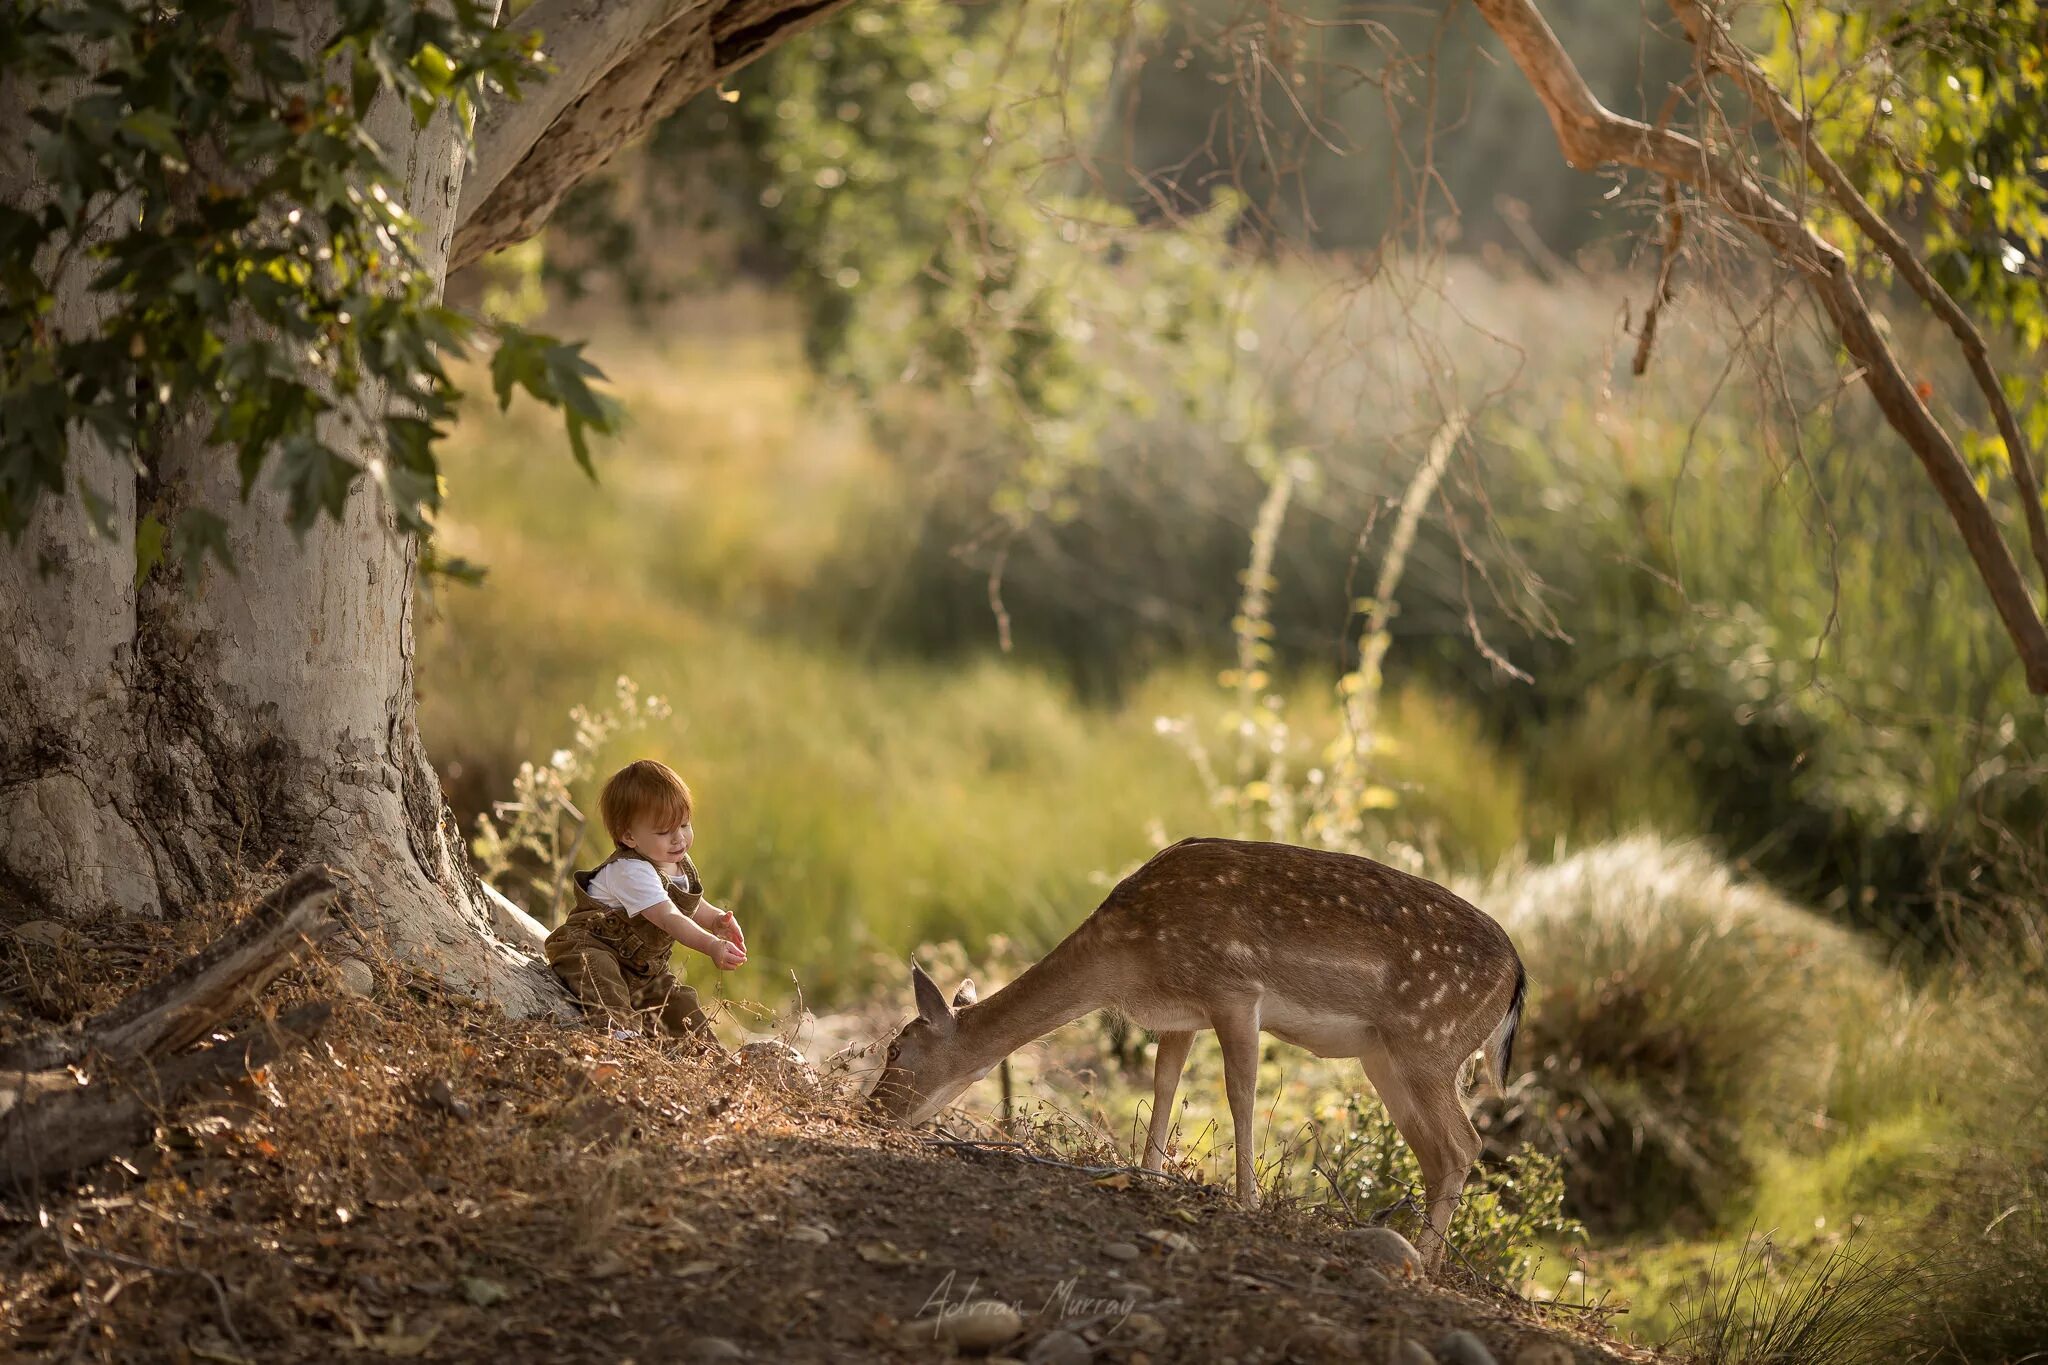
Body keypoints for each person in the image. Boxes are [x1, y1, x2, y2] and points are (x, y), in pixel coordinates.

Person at [543, 759, 747, 1046]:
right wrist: (710, 945)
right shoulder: (630, 870)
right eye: (664, 832)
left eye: (685, 825)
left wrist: (716, 921)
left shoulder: (675, 862)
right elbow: (668, 917)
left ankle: (705, 1055)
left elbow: (690, 905)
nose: (679, 839)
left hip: (643, 971)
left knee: (679, 1003)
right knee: (601, 975)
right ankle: (623, 1039)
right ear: (629, 836)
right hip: (589, 949)